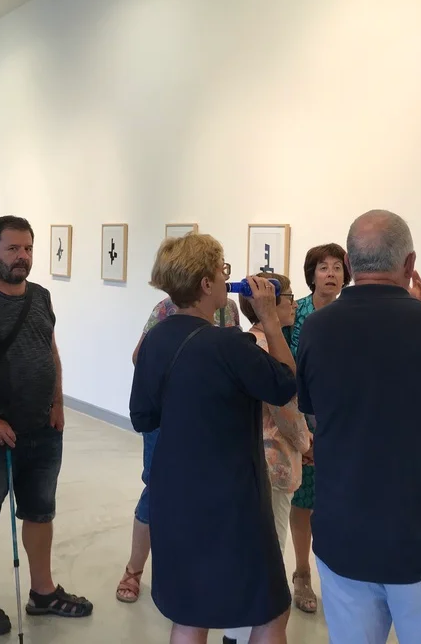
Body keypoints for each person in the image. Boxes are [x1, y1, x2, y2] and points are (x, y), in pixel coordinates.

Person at [295, 210, 421, 644]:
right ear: (409, 264)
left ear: (349, 265)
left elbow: (313, 416)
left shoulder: (315, 328)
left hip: (342, 535)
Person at [129, 233, 297, 644]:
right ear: (206, 284)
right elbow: (284, 384)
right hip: (230, 500)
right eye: (222, 271)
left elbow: (142, 416)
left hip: (173, 494)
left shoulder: (155, 340)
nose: (226, 278)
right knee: (271, 608)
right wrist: (270, 319)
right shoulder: (230, 345)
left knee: (190, 612)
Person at [0, 215, 92, 636]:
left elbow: (51, 352)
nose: (22, 256)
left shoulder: (41, 296)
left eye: (27, 248)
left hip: (42, 430)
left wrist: (57, 402)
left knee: (40, 512)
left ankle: (43, 592)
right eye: (12, 249)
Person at [116, 291, 241, 604]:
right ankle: (133, 570)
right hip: (166, 415)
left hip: (210, 416)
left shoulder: (228, 310)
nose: (225, 276)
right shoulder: (166, 309)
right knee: (156, 488)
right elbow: (139, 357)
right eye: (219, 270)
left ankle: (193, 570)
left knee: (204, 491)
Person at [224, 272, 312, 644]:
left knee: (250, 554)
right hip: (273, 462)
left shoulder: (247, 343)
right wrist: (307, 444)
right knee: (269, 558)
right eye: (288, 295)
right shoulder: (267, 347)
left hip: (251, 460)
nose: (293, 302)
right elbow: (286, 407)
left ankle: (236, 632)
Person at [286, 243, 351, 614]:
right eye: (323, 267)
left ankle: (338, 576)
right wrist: (300, 431)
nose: (331, 274)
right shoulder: (295, 313)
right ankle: (301, 573)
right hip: (302, 422)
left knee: (339, 500)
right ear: (311, 274)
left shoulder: (351, 315)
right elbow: (283, 368)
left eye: (337, 267)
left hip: (341, 422)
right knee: (304, 501)